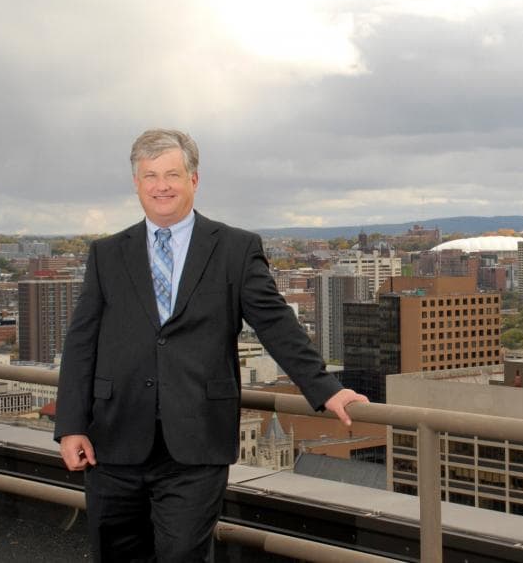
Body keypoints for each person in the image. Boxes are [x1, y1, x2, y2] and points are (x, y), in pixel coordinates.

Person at [54, 128, 368, 562]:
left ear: (194, 180)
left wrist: (326, 388)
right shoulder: (107, 253)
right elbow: (81, 342)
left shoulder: (235, 249)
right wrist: (71, 425)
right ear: (136, 184)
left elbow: (276, 323)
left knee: (183, 555)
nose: (161, 186)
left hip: (195, 442)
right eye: (150, 176)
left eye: (171, 174)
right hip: (113, 439)